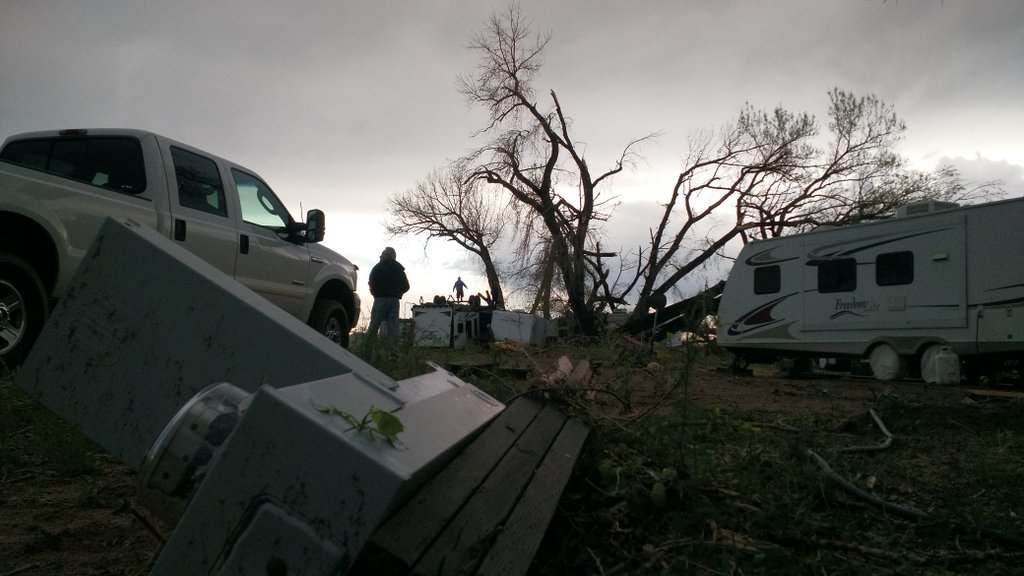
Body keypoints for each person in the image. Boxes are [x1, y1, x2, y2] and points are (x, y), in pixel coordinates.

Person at [365, 246, 409, 356]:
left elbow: (371, 282)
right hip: (394, 301)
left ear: (386, 256)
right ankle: (393, 353)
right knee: (393, 327)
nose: (380, 257)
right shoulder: (400, 269)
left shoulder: (378, 267)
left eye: (382, 255)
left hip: (380, 299)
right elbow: (406, 286)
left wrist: (375, 293)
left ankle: (367, 351)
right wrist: (398, 293)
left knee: (374, 325)